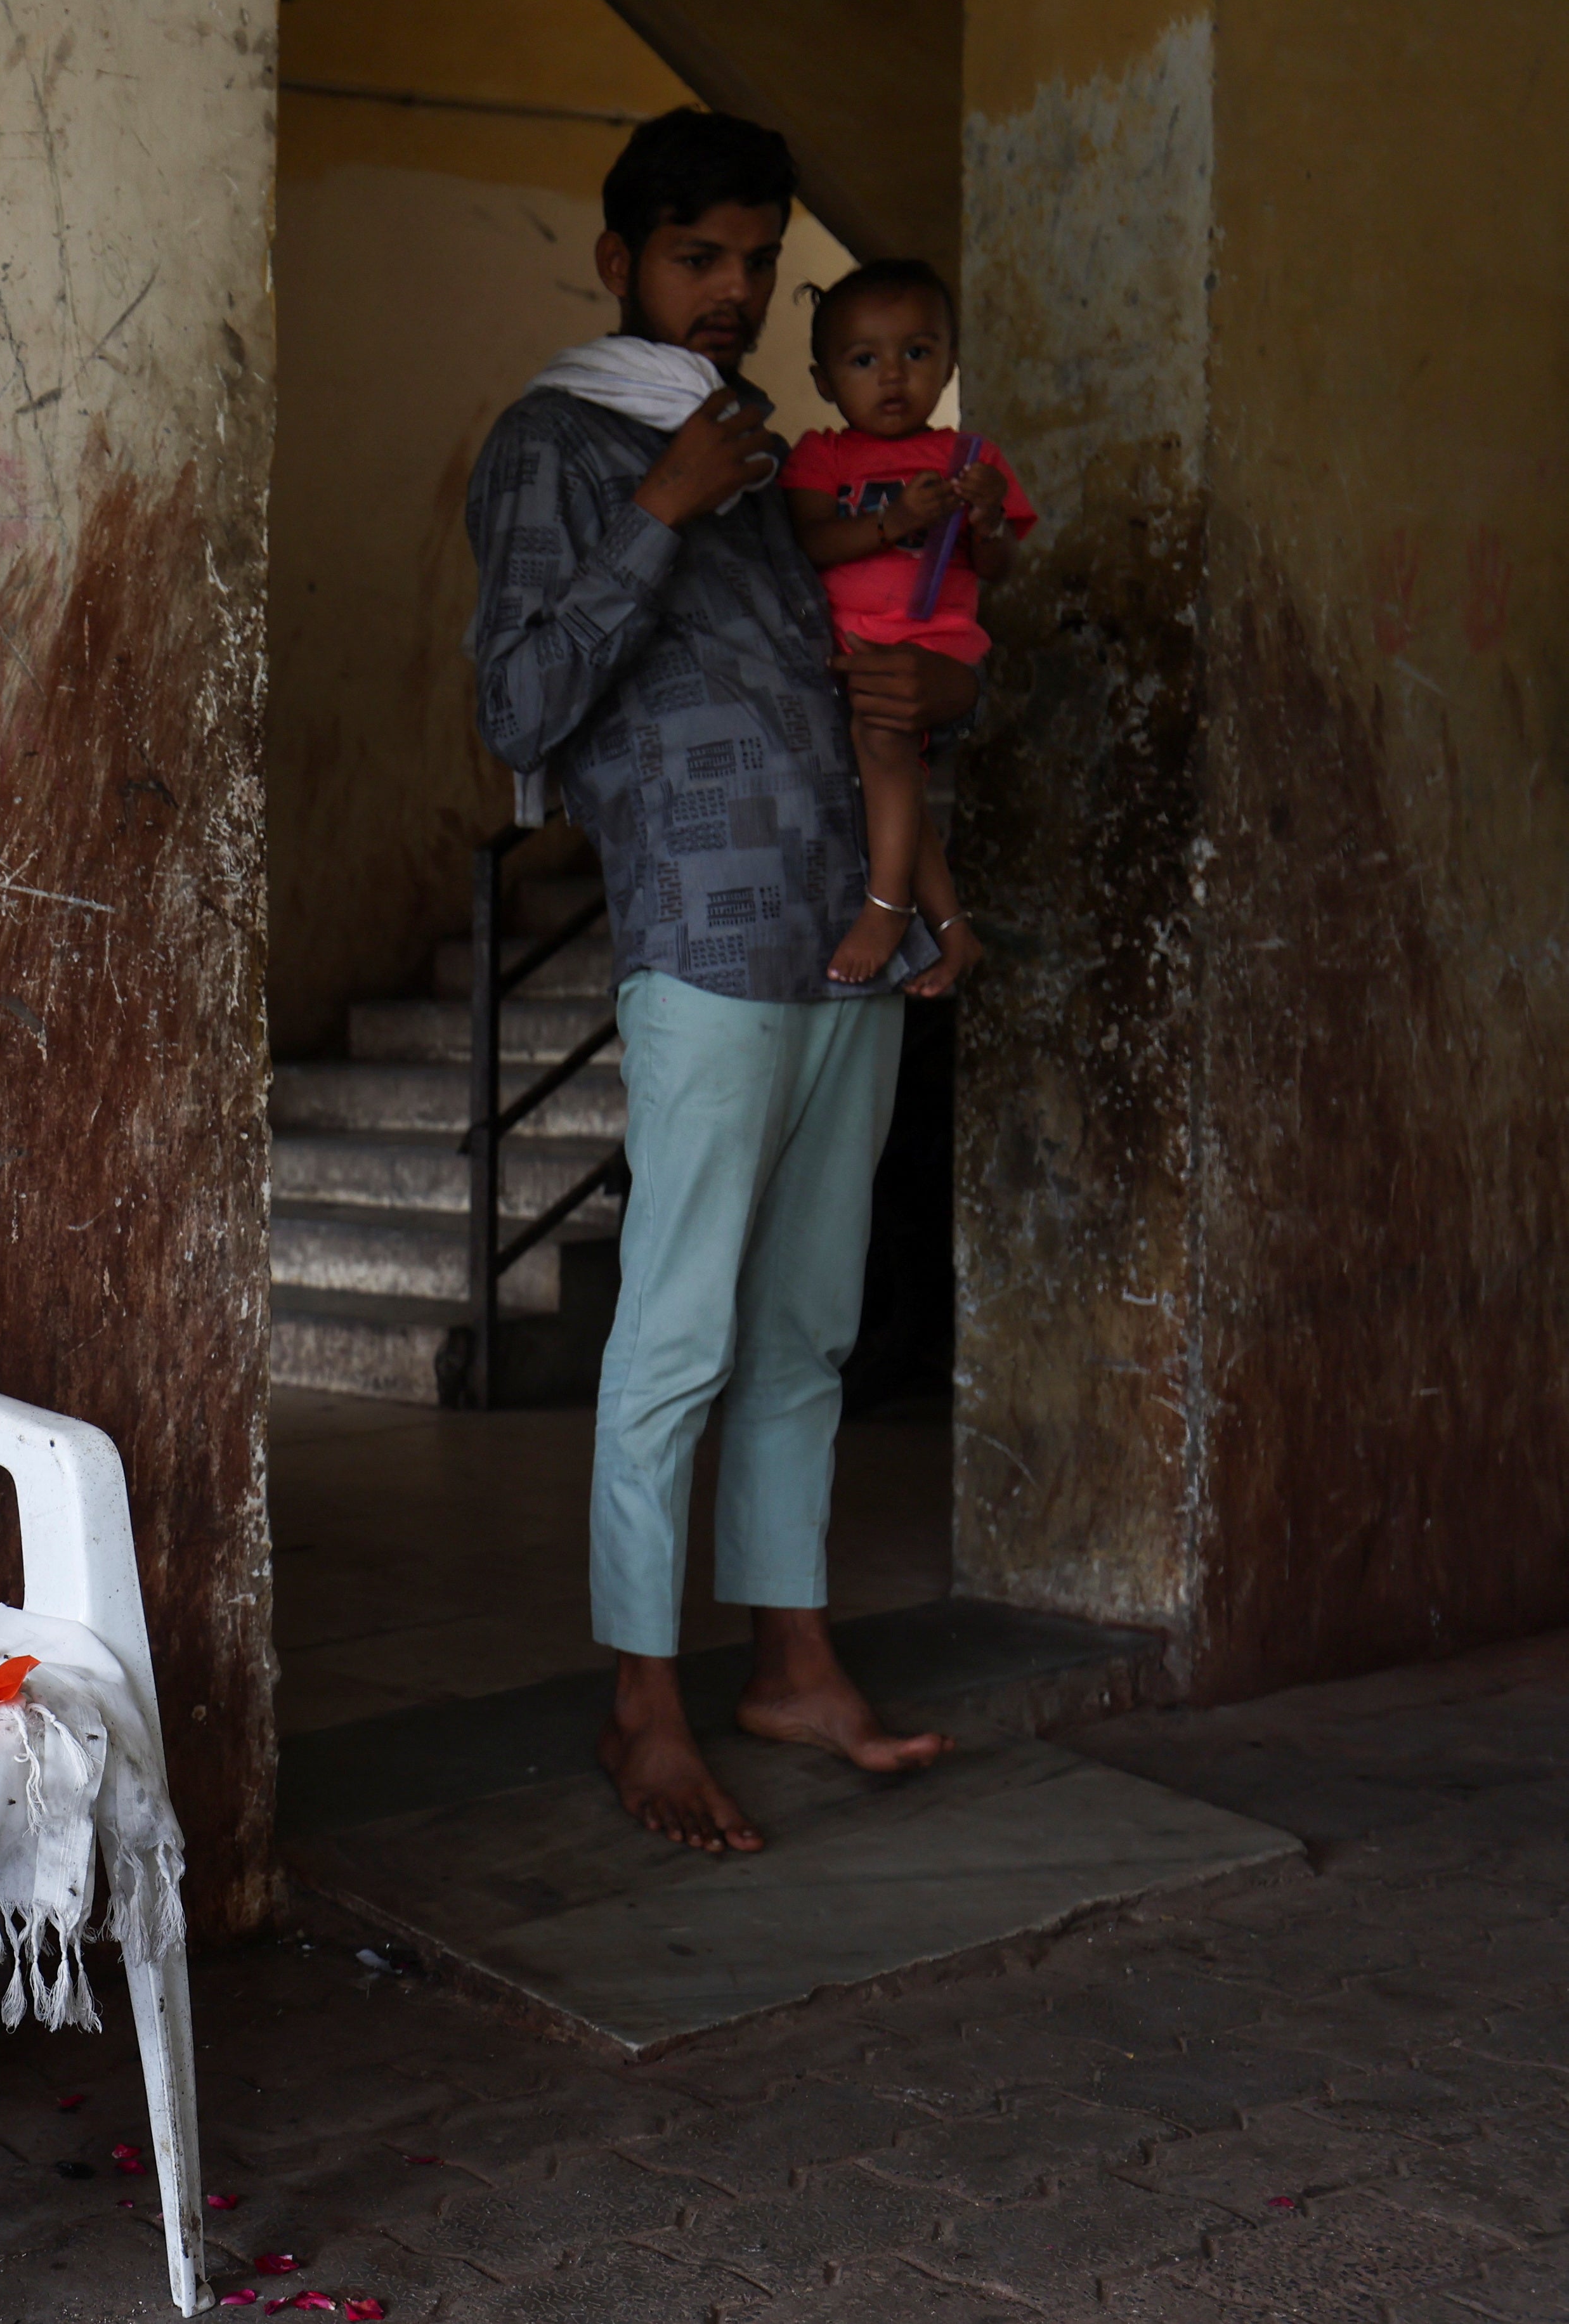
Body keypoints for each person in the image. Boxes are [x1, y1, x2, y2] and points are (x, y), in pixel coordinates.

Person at [465, 109, 968, 1854]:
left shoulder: (769, 453)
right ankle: (641, 1701)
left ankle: (792, 1659)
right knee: (674, 1332)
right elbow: (521, 706)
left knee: (806, 1323)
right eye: (699, 259)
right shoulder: (560, 440)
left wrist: (927, 881)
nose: (733, 293)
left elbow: (865, 675)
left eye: (758, 262)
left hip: (846, 928)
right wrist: (657, 518)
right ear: (617, 262)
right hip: (701, 931)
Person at [780, 258, 1032, 987]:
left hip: (936, 647)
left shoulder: (971, 459)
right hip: (848, 648)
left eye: (916, 354)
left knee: (883, 739)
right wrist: (892, 523)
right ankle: (954, 934)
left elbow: (997, 568)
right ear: (825, 379)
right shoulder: (821, 455)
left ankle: (886, 907)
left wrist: (985, 520)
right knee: (894, 778)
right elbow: (810, 543)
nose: (892, 377)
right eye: (863, 360)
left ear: (950, 362)